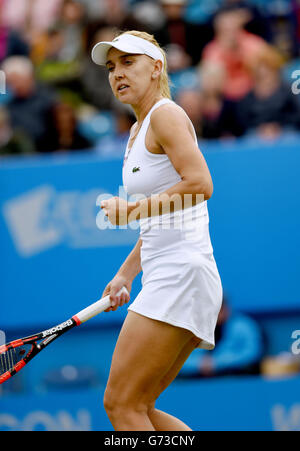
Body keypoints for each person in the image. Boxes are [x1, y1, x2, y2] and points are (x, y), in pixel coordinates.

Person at [92, 30, 223, 431]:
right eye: (112, 67)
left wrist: (131, 209)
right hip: (177, 273)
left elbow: (201, 184)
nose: (118, 74)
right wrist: (126, 273)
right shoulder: (136, 132)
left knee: (121, 404)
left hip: (181, 274)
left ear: (157, 67)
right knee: (138, 407)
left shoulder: (165, 115)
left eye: (129, 63)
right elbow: (159, 221)